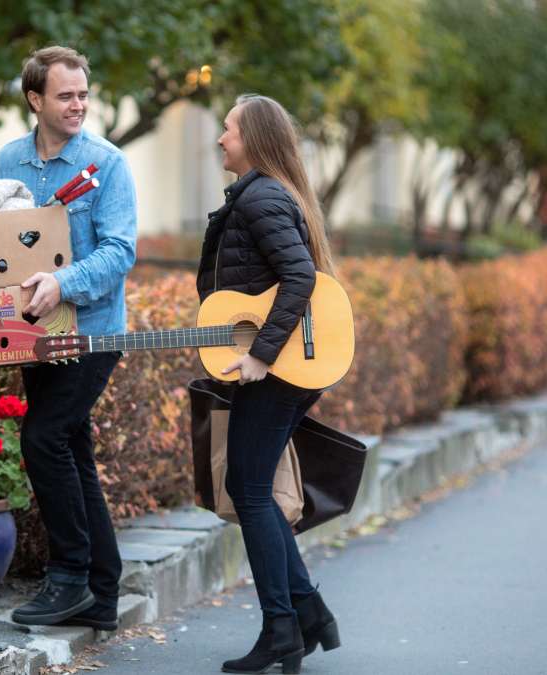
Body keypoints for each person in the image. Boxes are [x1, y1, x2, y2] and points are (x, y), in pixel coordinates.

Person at [0, 46, 137, 629]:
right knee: (72, 451)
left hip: (94, 333)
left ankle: (70, 577)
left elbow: (120, 251)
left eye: (83, 94)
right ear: (35, 99)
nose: (78, 105)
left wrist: (64, 282)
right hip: (34, 334)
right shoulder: (7, 161)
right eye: (65, 95)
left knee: (44, 439)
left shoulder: (109, 164)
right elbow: (1, 245)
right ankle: (102, 594)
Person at [196, 95, 341, 674]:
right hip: (283, 360)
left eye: (227, 130)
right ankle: (306, 614)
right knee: (251, 487)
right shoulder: (261, 196)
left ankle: (284, 626)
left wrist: (259, 352)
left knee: (250, 490)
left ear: (252, 138)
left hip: (278, 364)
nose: (220, 139)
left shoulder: (261, 198)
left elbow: (299, 276)